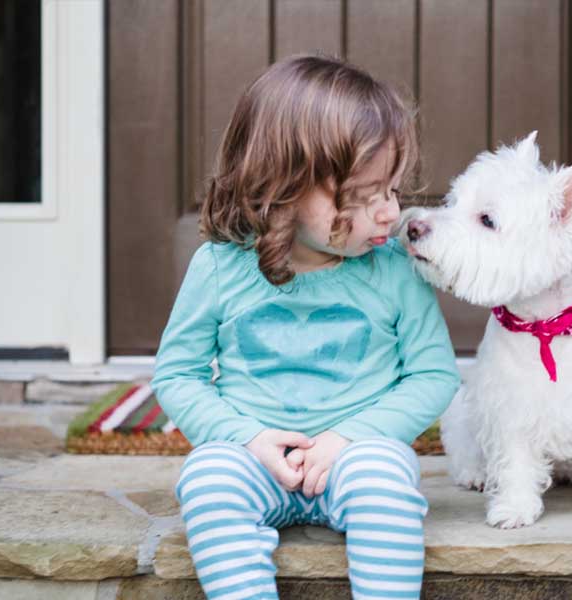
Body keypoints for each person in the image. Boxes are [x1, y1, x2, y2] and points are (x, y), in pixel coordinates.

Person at [150, 54, 460, 600]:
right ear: (285, 189)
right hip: (253, 453)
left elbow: (433, 374)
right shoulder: (221, 267)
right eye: (363, 197)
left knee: (386, 481)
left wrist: (351, 437)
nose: (390, 213)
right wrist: (244, 436)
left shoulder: (392, 270)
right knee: (206, 479)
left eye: (390, 190)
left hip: (354, 453)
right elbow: (178, 374)